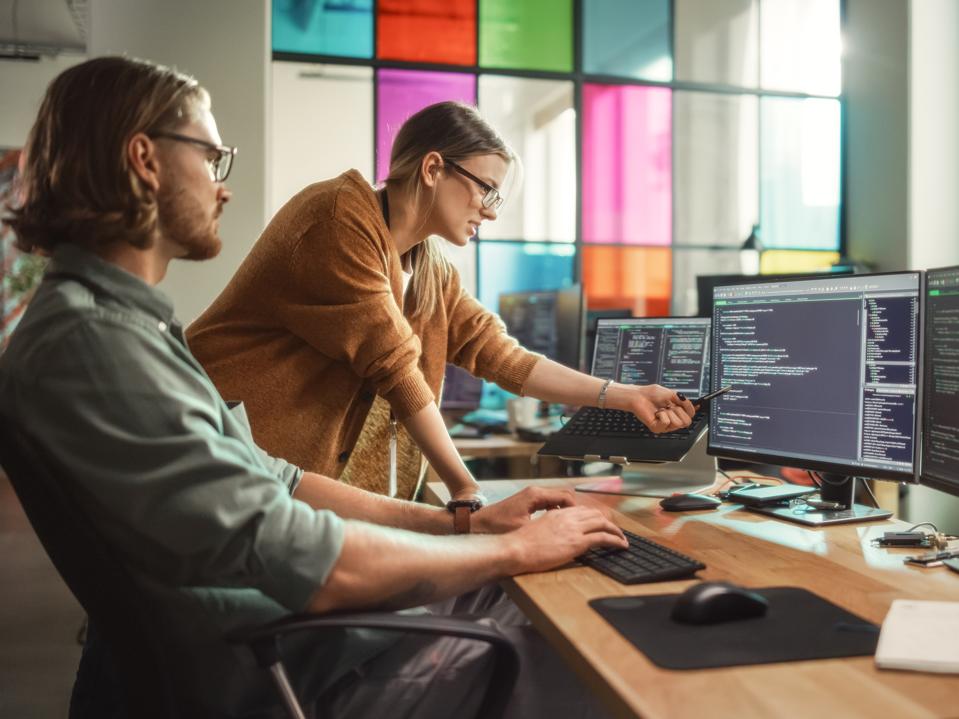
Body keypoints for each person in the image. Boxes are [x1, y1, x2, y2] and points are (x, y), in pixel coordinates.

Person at [0, 55, 627, 718]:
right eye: (212, 158)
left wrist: (463, 520)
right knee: (582, 654)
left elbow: (277, 478)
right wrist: (504, 542)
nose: (223, 188)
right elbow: (307, 552)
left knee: (533, 588)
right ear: (145, 158)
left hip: (285, 628)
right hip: (277, 664)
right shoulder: (94, 345)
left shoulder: (127, 329)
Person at [187, 100, 697, 501]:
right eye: (486, 191)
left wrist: (626, 396)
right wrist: (465, 488)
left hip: (297, 494)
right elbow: (396, 368)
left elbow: (502, 356)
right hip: (221, 469)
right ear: (433, 168)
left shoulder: (428, 269)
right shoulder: (339, 218)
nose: (490, 213)